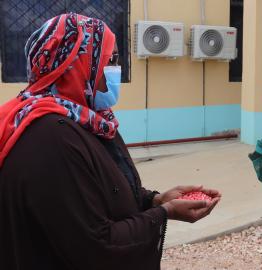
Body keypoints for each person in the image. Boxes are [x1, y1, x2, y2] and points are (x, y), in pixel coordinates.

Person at [0, 13, 221, 270]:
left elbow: (102, 189)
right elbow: (94, 246)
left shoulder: (90, 120)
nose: (118, 70)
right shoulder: (51, 138)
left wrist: (155, 200)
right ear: (77, 66)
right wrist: (166, 212)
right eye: (111, 60)